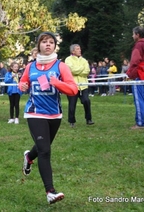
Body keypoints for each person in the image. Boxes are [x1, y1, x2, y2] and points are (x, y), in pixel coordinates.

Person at [19, 32, 78, 204]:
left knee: (42, 146)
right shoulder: (31, 66)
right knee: (45, 150)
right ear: (38, 46)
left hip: (54, 114)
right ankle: (50, 192)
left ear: (54, 46)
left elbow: (73, 90)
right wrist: (22, 86)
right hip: (34, 112)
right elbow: (23, 83)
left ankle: (29, 157)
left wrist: (57, 83)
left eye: (51, 42)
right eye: (44, 42)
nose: (48, 45)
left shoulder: (61, 66)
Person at [126, 26, 144, 129]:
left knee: (139, 100)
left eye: (133, 34)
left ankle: (140, 123)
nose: (132, 36)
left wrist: (130, 74)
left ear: (137, 35)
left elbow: (135, 61)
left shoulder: (138, 46)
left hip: (139, 75)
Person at [65, 44, 95, 127]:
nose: (80, 50)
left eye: (80, 49)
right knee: (72, 103)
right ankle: (72, 121)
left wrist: (78, 70)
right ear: (73, 51)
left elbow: (87, 71)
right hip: (72, 86)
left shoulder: (84, 60)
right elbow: (71, 70)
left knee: (86, 101)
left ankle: (88, 119)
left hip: (83, 85)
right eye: (77, 49)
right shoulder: (68, 60)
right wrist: (81, 68)